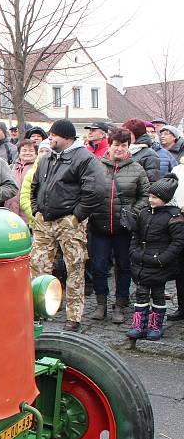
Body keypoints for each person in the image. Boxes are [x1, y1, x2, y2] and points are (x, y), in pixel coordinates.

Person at [30, 118, 104, 331]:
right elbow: (35, 185)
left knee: (74, 269)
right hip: (45, 220)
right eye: (49, 134)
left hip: (69, 222)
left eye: (54, 134)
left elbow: (96, 189)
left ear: (68, 137)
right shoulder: (46, 158)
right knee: (38, 268)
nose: (50, 137)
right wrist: (36, 209)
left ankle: (74, 316)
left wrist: (77, 216)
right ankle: (39, 310)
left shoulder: (84, 159)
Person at [89, 128, 150, 323]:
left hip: (125, 228)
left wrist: (133, 212)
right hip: (99, 225)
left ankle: (120, 305)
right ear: (110, 145)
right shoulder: (96, 166)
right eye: (116, 145)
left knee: (124, 267)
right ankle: (101, 303)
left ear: (128, 147)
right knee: (98, 266)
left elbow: (145, 195)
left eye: (124, 145)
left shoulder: (137, 168)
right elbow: (87, 190)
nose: (119, 149)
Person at [125, 175, 184, 340]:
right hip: (142, 262)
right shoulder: (144, 213)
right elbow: (136, 234)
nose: (150, 199)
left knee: (158, 295)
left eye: (155, 197)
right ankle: (139, 325)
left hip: (159, 265)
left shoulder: (174, 217)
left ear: (165, 199)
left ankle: (156, 326)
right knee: (141, 294)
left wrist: (163, 259)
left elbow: (178, 242)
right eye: (150, 196)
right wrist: (134, 251)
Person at [19, 139, 51, 226]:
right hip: (36, 221)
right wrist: (36, 216)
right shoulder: (31, 173)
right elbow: (25, 197)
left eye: (47, 151)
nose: (44, 154)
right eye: (41, 151)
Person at [5, 140, 37, 224]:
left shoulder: (38, 168)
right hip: (11, 212)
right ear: (19, 152)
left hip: (28, 213)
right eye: (24, 150)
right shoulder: (11, 167)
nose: (27, 153)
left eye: (31, 151)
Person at [123, 118, 161, 183]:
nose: (125, 136)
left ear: (137, 134)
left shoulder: (149, 154)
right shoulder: (123, 150)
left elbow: (152, 181)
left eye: (129, 133)